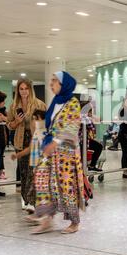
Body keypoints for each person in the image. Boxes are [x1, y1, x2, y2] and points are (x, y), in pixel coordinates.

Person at [28, 71, 86, 235]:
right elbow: (50, 124)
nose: (51, 84)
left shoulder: (72, 103)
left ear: (64, 84)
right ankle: (46, 218)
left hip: (66, 151)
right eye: (51, 80)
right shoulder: (55, 101)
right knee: (41, 179)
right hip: (50, 148)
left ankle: (74, 222)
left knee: (66, 185)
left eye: (55, 81)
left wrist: (55, 142)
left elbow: (72, 126)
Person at [7, 79, 47, 206]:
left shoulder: (39, 104)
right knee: (23, 173)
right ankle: (26, 200)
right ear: (18, 90)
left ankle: (33, 203)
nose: (24, 91)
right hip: (20, 141)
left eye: (26, 88)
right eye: (21, 89)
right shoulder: (14, 106)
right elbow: (9, 125)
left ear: (30, 89)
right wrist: (17, 121)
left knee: (32, 172)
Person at [11, 109, 47, 215]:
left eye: (37, 119)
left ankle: (37, 207)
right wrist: (18, 155)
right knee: (30, 186)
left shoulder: (46, 133)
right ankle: (33, 206)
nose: (34, 122)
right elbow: (30, 148)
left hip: (43, 165)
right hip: (33, 165)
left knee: (37, 186)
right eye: (33, 119)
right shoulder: (36, 134)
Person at [79, 104, 104, 173]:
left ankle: (92, 166)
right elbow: (92, 127)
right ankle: (81, 173)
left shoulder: (85, 117)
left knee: (98, 147)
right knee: (81, 158)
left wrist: (93, 118)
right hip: (80, 142)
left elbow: (100, 119)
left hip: (85, 140)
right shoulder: (83, 116)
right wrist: (92, 118)